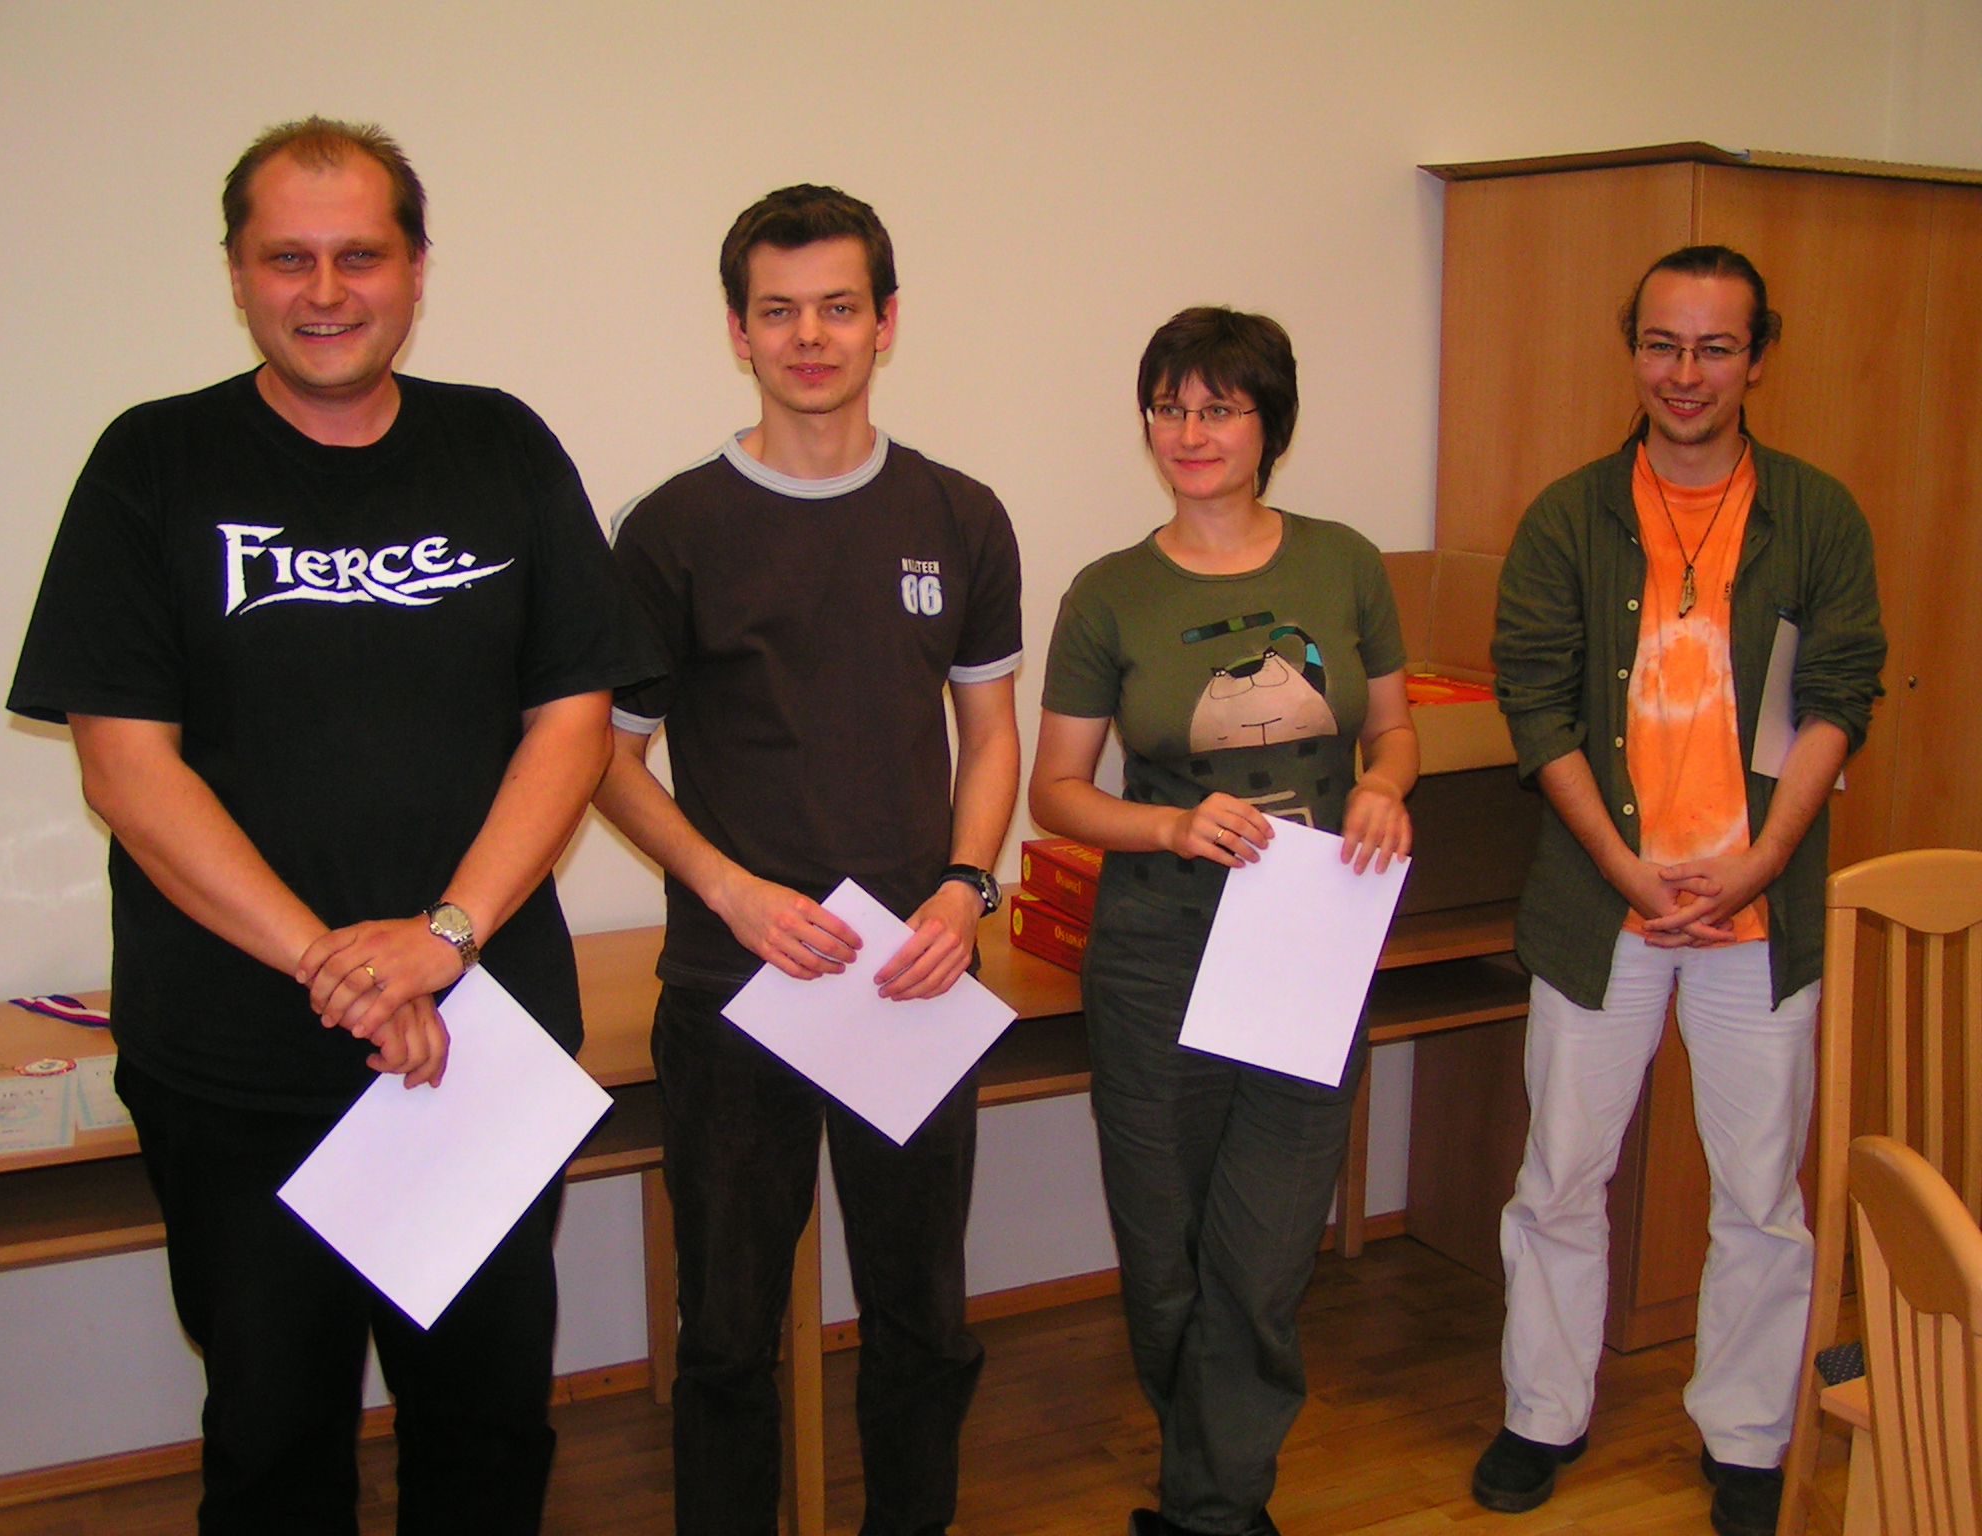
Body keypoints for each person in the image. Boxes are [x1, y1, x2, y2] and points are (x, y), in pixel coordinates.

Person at [6, 117, 654, 1534]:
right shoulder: (152, 463)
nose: (324, 290)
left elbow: (573, 720)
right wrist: (341, 965)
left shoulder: (500, 444)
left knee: (485, 1434)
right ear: (237, 274)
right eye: (286, 258)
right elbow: (126, 766)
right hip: (236, 1062)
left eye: (359, 255)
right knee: (272, 1444)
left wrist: (442, 940)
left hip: (479, 1046)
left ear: (415, 269)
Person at [593, 184, 1023, 1535]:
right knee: (726, 1335)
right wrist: (730, 891)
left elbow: (990, 734)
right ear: (739, 331)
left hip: (911, 977)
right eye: (778, 312)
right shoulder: (671, 529)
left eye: (839, 307)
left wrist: (964, 886)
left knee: (921, 1319)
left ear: (885, 322)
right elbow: (603, 757)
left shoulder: (960, 514)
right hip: (737, 984)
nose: (810, 337)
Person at [1472, 246, 1885, 1536]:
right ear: (1632, 350)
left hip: (1760, 914)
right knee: (1558, 1174)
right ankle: (1542, 1413)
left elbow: (1840, 694)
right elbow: (1534, 703)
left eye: (1713, 347)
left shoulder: (1815, 516)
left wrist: (1757, 862)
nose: (1684, 372)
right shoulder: (1568, 516)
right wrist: (1621, 866)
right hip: (1601, 906)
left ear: (1757, 357)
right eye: (1661, 344)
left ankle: (1747, 1436)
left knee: (1759, 1192)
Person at [1029, 306, 1418, 1536]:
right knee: (1164, 1264)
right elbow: (1055, 792)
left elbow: (1394, 729)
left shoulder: (1342, 563)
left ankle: (1210, 1508)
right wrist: (1166, 824)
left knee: (1258, 1263)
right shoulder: (1107, 594)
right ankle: (1208, 1488)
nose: (1189, 432)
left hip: (1308, 949)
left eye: (1218, 408)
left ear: (1269, 425)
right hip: (1157, 958)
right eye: (1169, 407)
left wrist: (1381, 787)